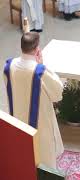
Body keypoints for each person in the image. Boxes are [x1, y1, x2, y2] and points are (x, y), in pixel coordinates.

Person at [3, 32, 64, 169]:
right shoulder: (39, 71)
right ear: (37, 50)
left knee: (24, 161)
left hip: (18, 123)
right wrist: (42, 64)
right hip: (40, 125)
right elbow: (58, 93)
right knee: (44, 162)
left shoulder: (8, 67)